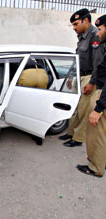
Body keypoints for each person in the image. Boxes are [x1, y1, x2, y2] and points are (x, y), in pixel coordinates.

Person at [59, 8, 104, 147]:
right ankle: (71, 132)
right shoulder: (82, 37)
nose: (74, 27)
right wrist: (72, 77)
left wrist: (92, 82)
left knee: (83, 110)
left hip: (89, 78)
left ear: (85, 20)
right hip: (80, 76)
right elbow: (78, 59)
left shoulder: (95, 36)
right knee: (75, 107)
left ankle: (78, 138)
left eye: (76, 24)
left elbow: (98, 63)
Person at [76, 14, 106, 178]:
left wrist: (100, 107)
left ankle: (96, 167)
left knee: (97, 133)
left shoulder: (97, 41)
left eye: (100, 29)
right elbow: (101, 67)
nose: (98, 33)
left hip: (103, 94)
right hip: (100, 88)